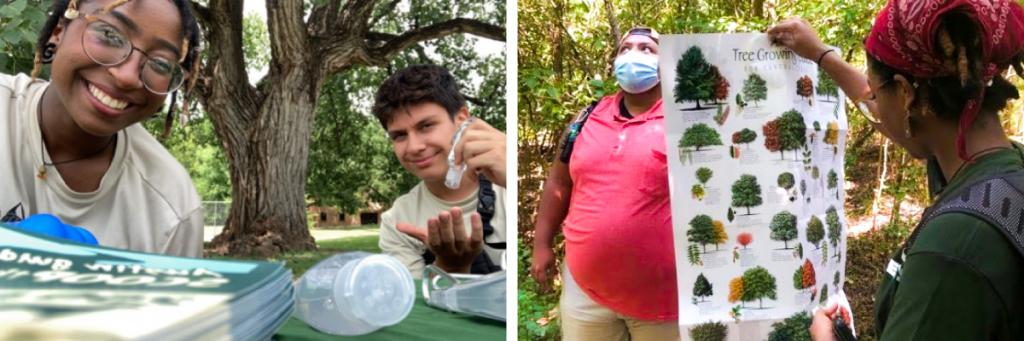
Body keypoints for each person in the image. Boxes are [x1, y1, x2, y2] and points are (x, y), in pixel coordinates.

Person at [769, 0, 1024, 339]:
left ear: (906, 93)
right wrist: (821, 55)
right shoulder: (1004, 175)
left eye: (877, 88)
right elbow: (890, 112)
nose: (872, 97)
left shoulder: (950, 251)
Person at [0, 0, 203, 256]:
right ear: (58, 31)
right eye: (110, 35)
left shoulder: (172, 209)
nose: (127, 76)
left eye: (161, 64)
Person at [530, 27, 679, 340]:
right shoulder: (586, 118)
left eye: (647, 49)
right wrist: (542, 244)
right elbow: (559, 182)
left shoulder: (684, 120)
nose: (633, 55)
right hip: (586, 291)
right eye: (625, 49)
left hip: (664, 300)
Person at [373, 64, 508, 279]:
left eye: (426, 126)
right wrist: (449, 267)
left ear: (462, 119)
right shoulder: (398, 221)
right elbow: (415, 305)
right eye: (399, 135)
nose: (414, 146)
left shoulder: (506, 182)